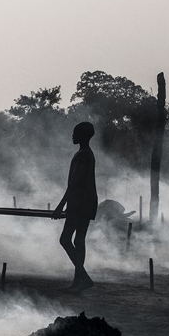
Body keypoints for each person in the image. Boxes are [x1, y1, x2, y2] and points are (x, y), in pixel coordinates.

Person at [52, 122, 98, 291]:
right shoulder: (86, 154)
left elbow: (74, 183)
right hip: (86, 202)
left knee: (65, 239)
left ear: (83, 136)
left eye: (75, 133)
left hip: (80, 203)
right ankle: (78, 282)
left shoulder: (83, 155)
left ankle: (83, 278)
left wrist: (60, 206)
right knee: (78, 241)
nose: (72, 136)